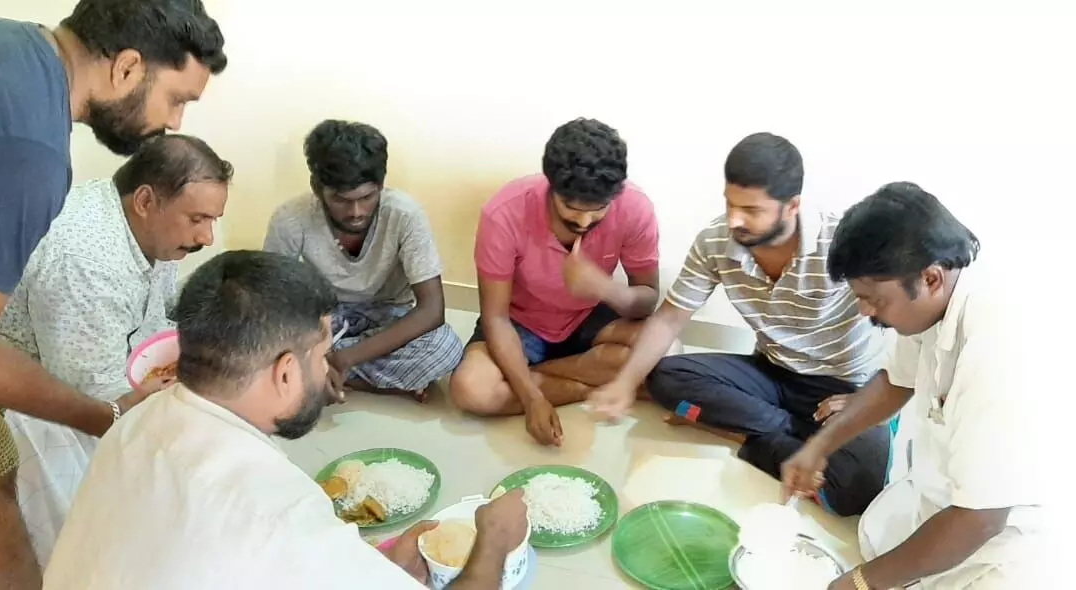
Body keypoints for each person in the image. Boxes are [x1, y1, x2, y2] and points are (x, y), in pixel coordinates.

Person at [0, 1, 226, 587]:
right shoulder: (29, 151)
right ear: (127, 68)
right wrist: (107, 417)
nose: (175, 121)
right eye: (177, 99)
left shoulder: (11, 46)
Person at [779, 182, 1076, 589]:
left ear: (930, 279)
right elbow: (894, 381)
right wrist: (820, 446)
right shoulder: (938, 291)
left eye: (874, 299)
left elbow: (979, 520)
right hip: (999, 489)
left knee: (905, 566)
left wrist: (859, 583)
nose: (864, 311)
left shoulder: (1004, 345)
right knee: (883, 535)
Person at [43, 250, 529, 589]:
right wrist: (494, 540)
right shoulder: (277, 512)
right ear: (286, 372)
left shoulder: (137, 420)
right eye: (322, 356)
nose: (328, 371)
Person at [0, 135, 231, 590]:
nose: (206, 237)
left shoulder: (151, 229)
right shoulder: (84, 261)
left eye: (212, 220)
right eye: (198, 219)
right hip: (31, 405)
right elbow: (92, 395)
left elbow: (160, 317)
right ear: (145, 200)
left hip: (99, 371)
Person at [588, 133, 891, 517]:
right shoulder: (716, 241)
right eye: (730, 203)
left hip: (843, 385)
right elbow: (668, 319)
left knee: (863, 487)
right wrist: (625, 382)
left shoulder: (843, 243)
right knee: (664, 377)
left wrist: (867, 400)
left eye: (751, 210)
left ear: (792, 206)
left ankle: (748, 433)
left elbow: (906, 325)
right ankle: (793, 437)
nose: (734, 219)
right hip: (771, 373)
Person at [448, 118, 662, 446]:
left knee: (666, 351)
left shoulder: (635, 207)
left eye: (599, 210)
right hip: (522, 323)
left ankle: (535, 375)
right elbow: (496, 317)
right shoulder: (504, 212)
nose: (584, 221)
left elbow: (647, 300)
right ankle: (586, 385)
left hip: (590, 317)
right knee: (470, 389)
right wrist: (531, 398)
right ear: (551, 186)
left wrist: (604, 288)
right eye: (571, 208)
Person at [265, 120, 462, 403]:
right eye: (341, 200)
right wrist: (314, 343)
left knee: (445, 348)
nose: (356, 212)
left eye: (367, 197)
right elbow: (273, 303)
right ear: (317, 188)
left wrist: (344, 358)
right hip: (325, 318)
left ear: (381, 186)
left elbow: (432, 310)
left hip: (389, 314)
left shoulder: (405, 215)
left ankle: (322, 374)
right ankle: (362, 380)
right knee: (260, 342)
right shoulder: (290, 219)